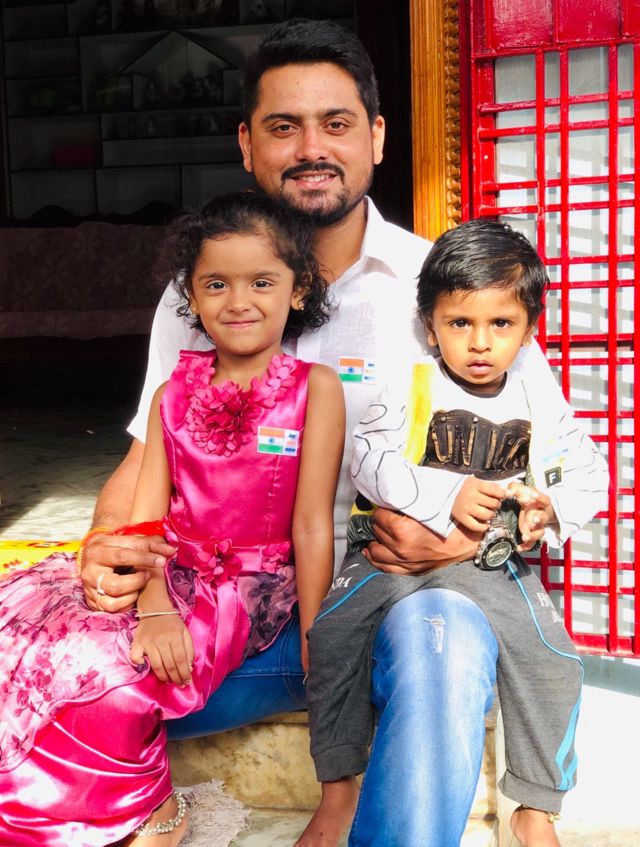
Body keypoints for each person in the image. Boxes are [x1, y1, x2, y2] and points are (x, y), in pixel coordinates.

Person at [78, 19, 568, 846]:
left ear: (376, 136)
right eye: (283, 126)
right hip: (232, 612)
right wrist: (105, 544)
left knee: (442, 639)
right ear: (247, 144)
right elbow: (143, 457)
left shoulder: (444, 288)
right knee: (63, 668)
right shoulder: (202, 289)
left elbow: (541, 459)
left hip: (387, 595)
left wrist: (458, 540)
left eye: (335, 123)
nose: (311, 148)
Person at [0, 191, 345, 846]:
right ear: (192, 295)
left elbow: (310, 526)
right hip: (167, 571)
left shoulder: (316, 389)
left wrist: (316, 634)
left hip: (245, 589)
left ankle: (151, 815)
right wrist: (155, 607)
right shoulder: (171, 392)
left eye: (261, 282)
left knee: (112, 675)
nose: (238, 301)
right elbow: (145, 520)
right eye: (216, 284)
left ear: (298, 288)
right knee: (24, 634)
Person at [304, 218, 609, 847]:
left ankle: (535, 807)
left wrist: (548, 509)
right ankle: (338, 788)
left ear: (530, 327)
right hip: (387, 557)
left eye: (501, 324)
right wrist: (448, 495)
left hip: (489, 560)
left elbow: (589, 472)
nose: (480, 343)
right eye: (460, 323)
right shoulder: (411, 381)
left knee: (554, 662)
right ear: (430, 324)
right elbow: (369, 460)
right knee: (331, 638)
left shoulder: (537, 396)